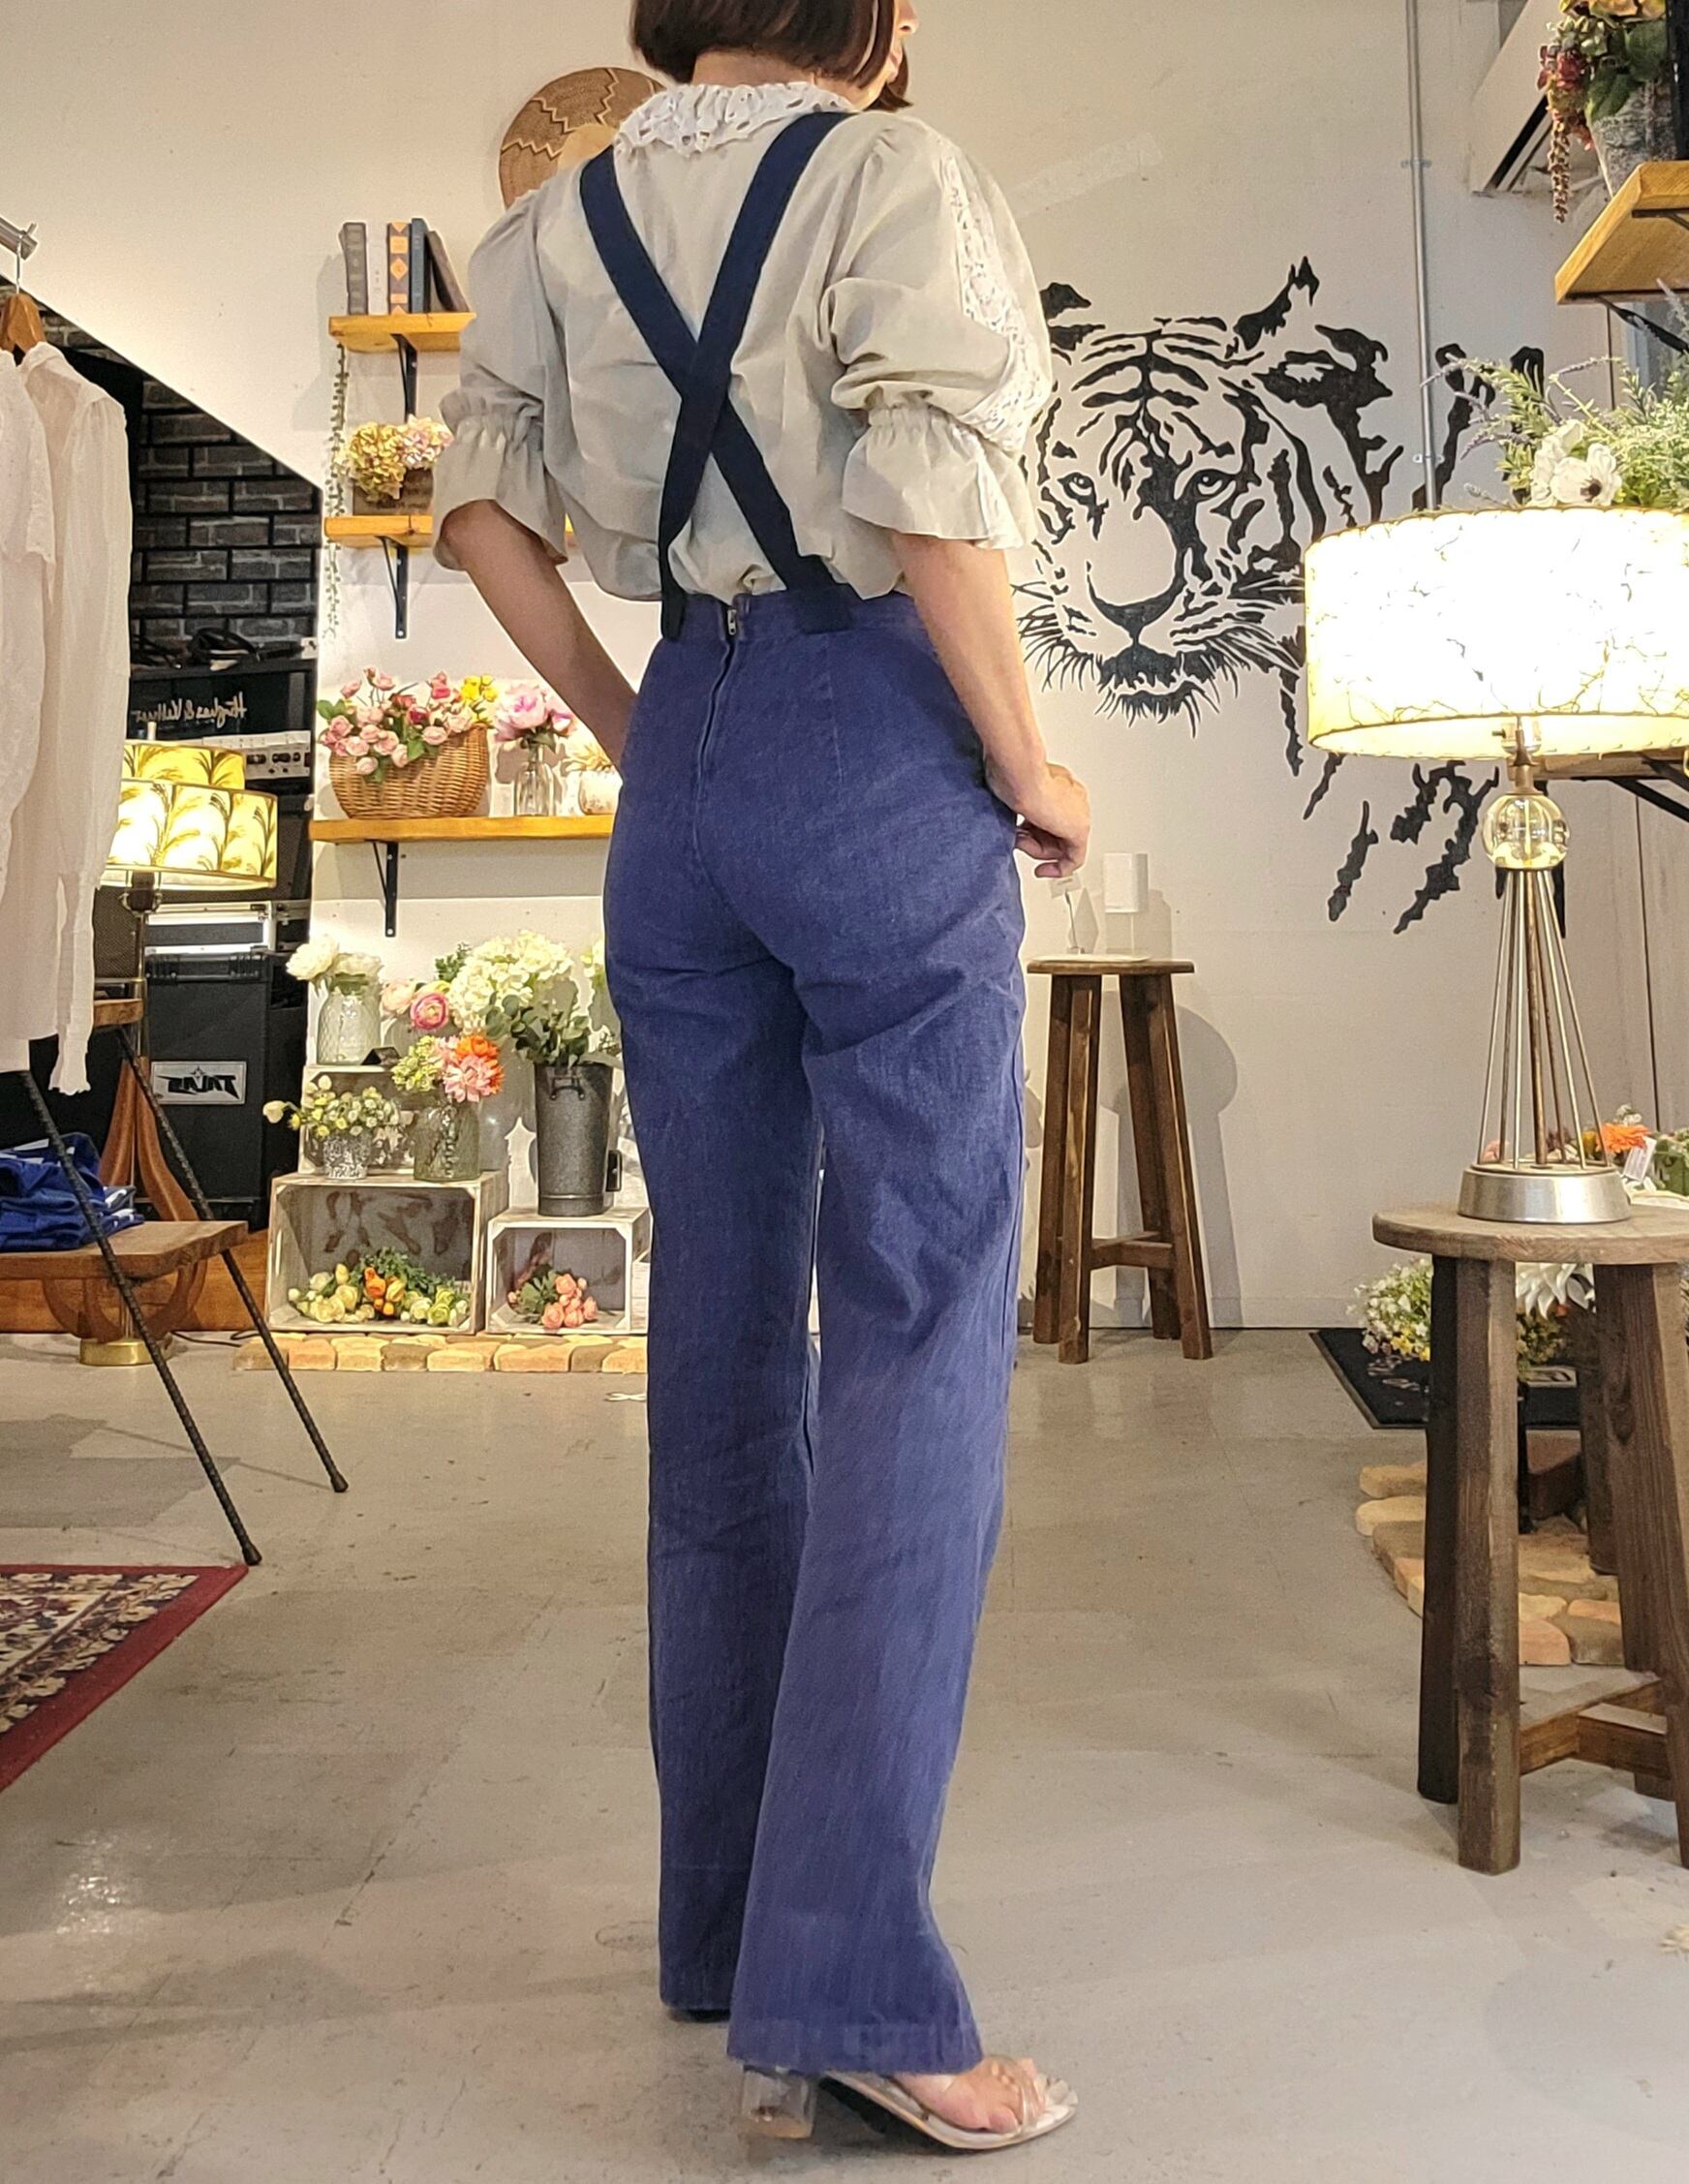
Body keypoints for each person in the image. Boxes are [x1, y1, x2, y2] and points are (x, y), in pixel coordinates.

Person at [435, 0, 1090, 2152]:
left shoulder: (551, 221)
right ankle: (855, 1984)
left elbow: (481, 524)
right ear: (873, 19)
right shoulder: (894, 176)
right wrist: (1027, 764)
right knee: (913, 1334)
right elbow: (931, 504)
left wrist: (647, 744)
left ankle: (725, 1930)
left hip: (689, 760)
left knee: (718, 1344)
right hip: (874, 734)